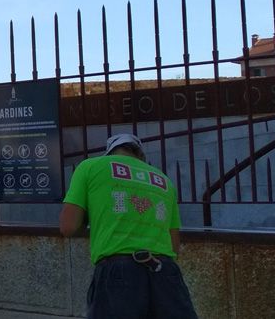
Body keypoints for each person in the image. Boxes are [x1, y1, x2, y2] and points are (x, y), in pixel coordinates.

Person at [59, 133, 198, 319]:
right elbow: (173, 245)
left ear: (110, 153)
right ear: (140, 156)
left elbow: (68, 227)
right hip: (165, 273)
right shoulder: (164, 181)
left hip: (118, 274)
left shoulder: (91, 167)